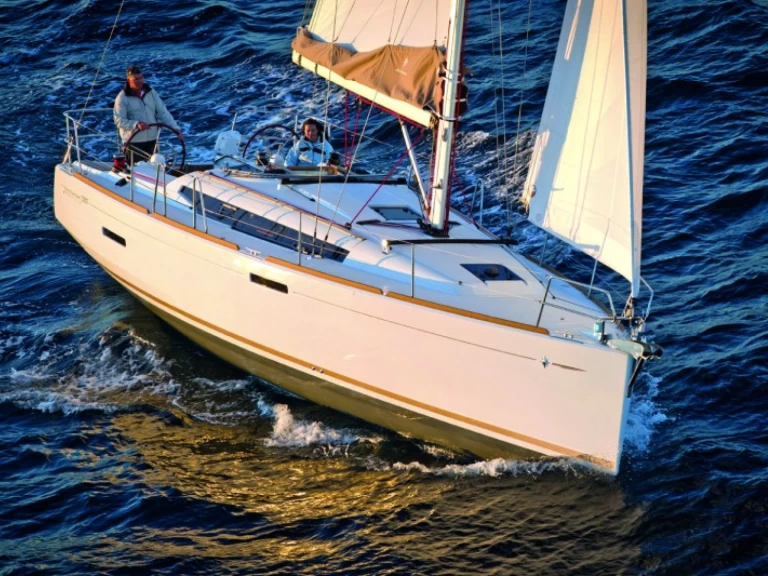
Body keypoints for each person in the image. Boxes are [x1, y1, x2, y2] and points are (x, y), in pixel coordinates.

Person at [113, 65, 183, 163]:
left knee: (155, 172)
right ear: (129, 81)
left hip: (153, 141)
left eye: (141, 78)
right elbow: (119, 120)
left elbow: (163, 113)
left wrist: (176, 129)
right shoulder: (122, 98)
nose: (139, 81)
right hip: (134, 143)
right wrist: (136, 124)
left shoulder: (151, 93)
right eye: (136, 79)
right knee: (136, 173)